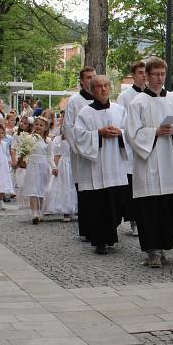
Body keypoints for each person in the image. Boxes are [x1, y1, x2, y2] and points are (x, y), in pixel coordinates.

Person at [125, 57, 173, 268]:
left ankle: (163, 247)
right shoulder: (138, 102)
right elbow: (132, 133)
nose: (160, 79)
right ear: (147, 76)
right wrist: (155, 132)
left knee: (167, 208)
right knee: (149, 210)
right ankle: (152, 251)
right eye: (155, 74)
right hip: (148, 162)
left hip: (169, 161)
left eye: (163, 74)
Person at [73, 75, 130, 254]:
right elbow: (79, 137)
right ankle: (99, 242)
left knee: (115, 205)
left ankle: (110, 236)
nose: (104, 89)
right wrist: (98, 134)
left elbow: (131, 132)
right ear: (92, 89)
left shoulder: (120, 110)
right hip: (95, 169)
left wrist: (120, 133)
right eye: (99, 86)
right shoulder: (84, 113)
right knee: (98, 207)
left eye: (106, 86)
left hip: (115, 166)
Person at [62, 66, 95, 239]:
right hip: (81, 154)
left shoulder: (101, 99)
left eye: (93, 77)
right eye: (88, 77)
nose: (91, 80)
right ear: (82, 81)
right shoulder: (75, 101)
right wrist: (80, 148)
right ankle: (86, 228)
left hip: (98, 152)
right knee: (83, 190)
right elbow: (69, 127)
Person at [117, 61, 148, 237]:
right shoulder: (125, 96)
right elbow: (121, 121)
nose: (144, 75)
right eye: (140, 72)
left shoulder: (153, 94)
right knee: (131, 186)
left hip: (149, 143)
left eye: (145, 72)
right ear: (134, 75)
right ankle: (133, 220)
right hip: (131, 145)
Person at [24, 117, 54, 224]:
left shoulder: (48, 140)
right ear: (33, 126)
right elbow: (25, 152)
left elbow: (50, 155)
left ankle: (40, 212)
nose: (38, 127)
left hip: (43, 166)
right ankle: (34, 214)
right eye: (36, 124)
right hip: (32, 165)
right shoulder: (28, 138)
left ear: (45, 128)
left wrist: (54, 167)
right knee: (33, 190)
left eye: (41, 125)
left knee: (41, 190)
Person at [43, 133, 77, 222]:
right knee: (64, 186)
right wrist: (55, 167)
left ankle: (72, 210)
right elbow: (57, 155)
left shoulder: (75, 137)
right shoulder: (59, 139)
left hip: (73, 164)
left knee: (73, 186)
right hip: (63, 165)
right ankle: (66, 211)